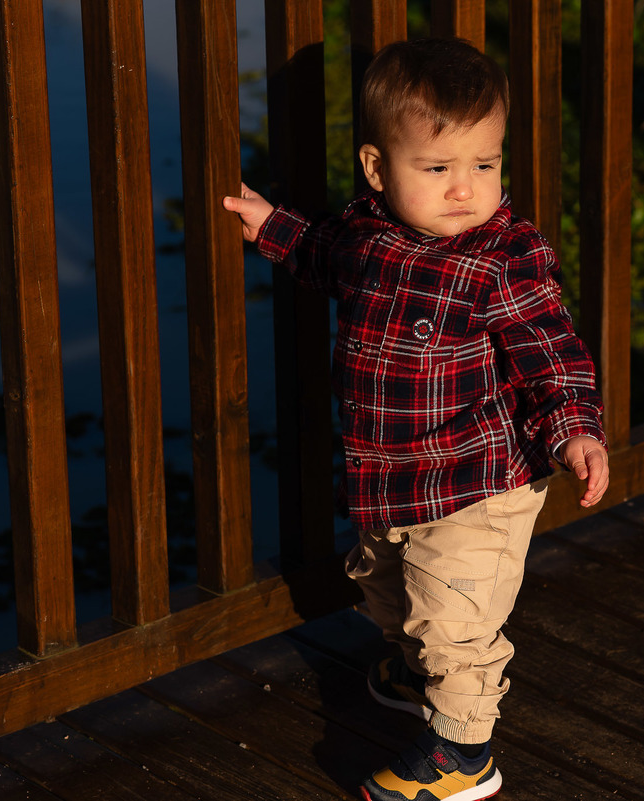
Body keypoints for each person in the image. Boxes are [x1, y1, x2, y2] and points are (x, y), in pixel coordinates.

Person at [224, 37, 609, 801]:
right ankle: (417, 672)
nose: (465, 189)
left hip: (480, 482)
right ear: (377, 169)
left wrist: (575, 428)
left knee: (455, 623)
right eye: (437, 169)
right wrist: (272, 226)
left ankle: (463, 752)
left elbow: (552, 350)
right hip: (396, 476)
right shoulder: (370, 235)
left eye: (484, 165)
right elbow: (322, 254)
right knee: (385, 582)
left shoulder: (504, 259)